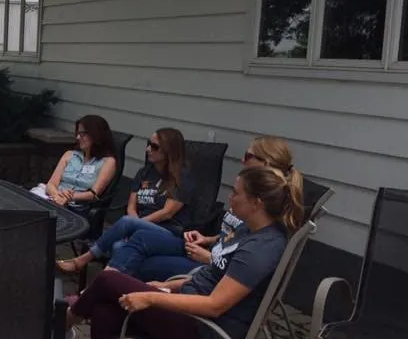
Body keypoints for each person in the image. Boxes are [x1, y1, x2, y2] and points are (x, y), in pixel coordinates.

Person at [56, 165, 303, 339]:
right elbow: (208, 276)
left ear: (256, 202)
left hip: (208, 333)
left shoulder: (260, 249)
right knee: (106, 308)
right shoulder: (249, 230)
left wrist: (150, 298)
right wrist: (165, 286)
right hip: (190, 306)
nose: (230, 197)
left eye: (236, 193)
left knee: (108, 281)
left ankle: (64, 323)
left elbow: (215, 305)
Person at [133, 136, 303, 281]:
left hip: (214, 270)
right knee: (141, 243)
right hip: (210, 253)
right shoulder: (248, 192)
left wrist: (209, 258)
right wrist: (207, 240)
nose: (242, 160)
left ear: (264, 162)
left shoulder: (264, 208)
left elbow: (246, 256)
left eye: (248, 156)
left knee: (146, 265)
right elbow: (233, 235)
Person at [57, 127, 193, 277]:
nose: (148, 149)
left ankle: (82, 261)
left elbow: (167, 213)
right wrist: (134, 225)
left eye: (154, 147)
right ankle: (117, 289)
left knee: (127, 222)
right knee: (119, 246)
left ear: (169, 151)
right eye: (148, 144)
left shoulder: (182, 177)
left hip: (169, 233)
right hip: (141, 229)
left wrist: (133, 225)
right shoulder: (144, 172)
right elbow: (131, 206)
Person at [31, 115, 118, 210]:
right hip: (53, 198)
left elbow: (93, 194)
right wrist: (57, 196)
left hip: (76, 205)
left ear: (96, 135)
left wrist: (70, 197)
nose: (77, 137)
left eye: (82, 134)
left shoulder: (108, 162)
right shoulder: (69, 155)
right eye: (77, 133)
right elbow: (51, 184)